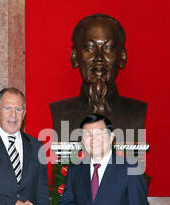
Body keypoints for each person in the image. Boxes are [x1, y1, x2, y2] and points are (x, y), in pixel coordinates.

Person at [50, 13, 147, 142]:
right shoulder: (60, 112)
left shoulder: (136, 112)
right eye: (90, 48)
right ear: (75, 56)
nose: (99, 58)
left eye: (108, 48)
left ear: (122, 57)